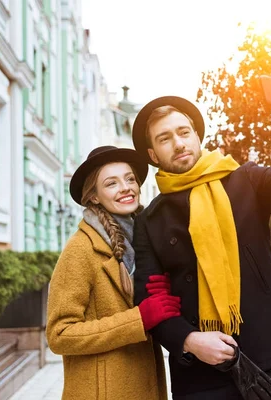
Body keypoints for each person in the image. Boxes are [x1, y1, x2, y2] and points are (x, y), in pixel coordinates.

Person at [132, 76, 271, 399]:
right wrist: (189, 340)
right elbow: (149, 297)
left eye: (184, 132)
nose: (179, 143)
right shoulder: (150, 220)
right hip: (200, 372)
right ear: (153, 154)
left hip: (268, 358)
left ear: (197, 136)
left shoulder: (245, 181)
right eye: (165, 138)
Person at [46, 145, 181, 400]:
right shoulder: (81, 248)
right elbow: (59, 334)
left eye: (130, 178)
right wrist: (138, 320)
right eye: (111, 183)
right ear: (94, 196)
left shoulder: (145, 240)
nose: (126, 187)